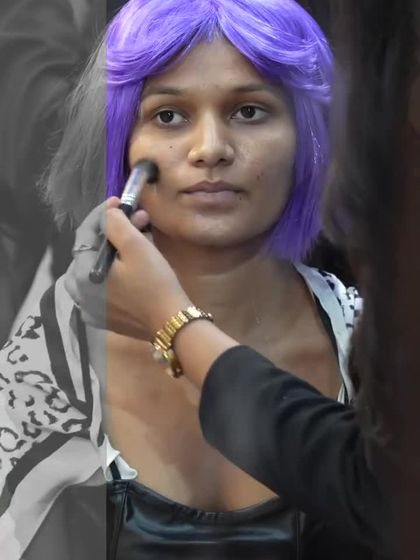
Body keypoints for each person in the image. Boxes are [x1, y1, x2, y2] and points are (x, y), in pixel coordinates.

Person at [0, 0, 378, 558]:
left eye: (248, 111)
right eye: (169, 116)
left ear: (310, 139)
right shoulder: (57, 360)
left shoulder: (369, 342)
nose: (210, 150)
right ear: (118, 142)